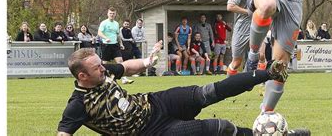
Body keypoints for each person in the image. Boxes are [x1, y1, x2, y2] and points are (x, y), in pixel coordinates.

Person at [56, 40, 290, 136]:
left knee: (207, 92)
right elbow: (63, 133)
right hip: (152, 131)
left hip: (155, 102)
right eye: (97, 68)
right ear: (83, 76)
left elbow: (126, 67)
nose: (104, 69)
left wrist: (147, 62)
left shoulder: (103, 71)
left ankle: (269, 72)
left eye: (101, 64)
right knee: (222, 127)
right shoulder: (78, 105)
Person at [97, 7, 132, 84]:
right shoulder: (104, 23)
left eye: (113, 13)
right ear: (107, 14)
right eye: (110, 13)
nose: (112, 15)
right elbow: (99, 33)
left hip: (115, 45)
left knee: (120, 61)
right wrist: (105, 38)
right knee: (104, 64)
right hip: (106, 45)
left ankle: (124, 78)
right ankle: (100, 79)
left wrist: (121, 44)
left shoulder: (116, 24)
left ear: (115, 14)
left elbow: (118, 35)